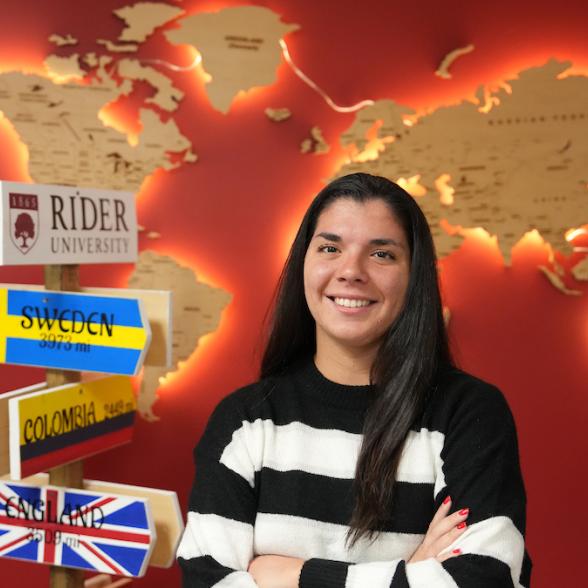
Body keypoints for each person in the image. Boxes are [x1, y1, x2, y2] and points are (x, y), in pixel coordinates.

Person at [177, 173, 531, 587]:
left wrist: (293, 576)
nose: (351, 271)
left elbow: (486, 579)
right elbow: (205, 581)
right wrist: (412, 572)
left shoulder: (468, 415)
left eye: (382, 255)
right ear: (302, 264)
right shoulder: (246, 422)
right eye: (330, 248)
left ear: (414, 276)